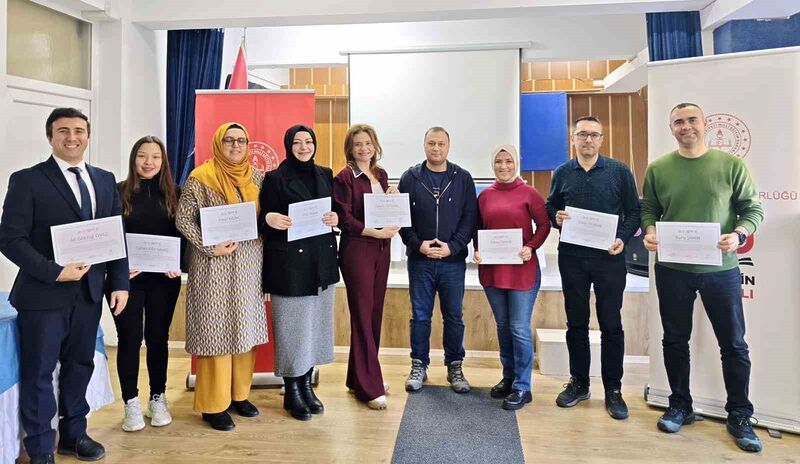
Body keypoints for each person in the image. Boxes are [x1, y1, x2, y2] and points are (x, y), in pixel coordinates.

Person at [0, 108, 129, 464]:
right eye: (63, 131)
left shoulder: (104, 179)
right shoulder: (27, 180)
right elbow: (10, 238)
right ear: (50, 137)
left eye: (79, 130)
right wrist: (54, 271)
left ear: (88, 135)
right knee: (40, 373)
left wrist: (119, 282)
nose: (72, 137)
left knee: (79, 365)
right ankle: (41, 448)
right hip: (42, 296)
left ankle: (74, 435)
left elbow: (113, 235)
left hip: (89, 295)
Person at [641, 103, 765, 452]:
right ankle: (681, 404)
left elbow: (752, 208)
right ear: (672, 129)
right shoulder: (660, 168)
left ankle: (739, 414)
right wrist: (649, 231)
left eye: (692, 120)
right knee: (674, 340)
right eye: (678, 122)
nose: (686, 127)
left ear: (705, 124)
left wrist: (739, 234)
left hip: (721, 270)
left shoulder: (730, 165)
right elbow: (649, 208)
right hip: (672, 269)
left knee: (734, 344)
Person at [545, 116, 641, 420]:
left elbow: (634, 212)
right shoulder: (562, 173)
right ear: (573, 138)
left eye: (594, 135)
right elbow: (551, 206)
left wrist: (623, 239)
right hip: (571, 257)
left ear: (601, 139)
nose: (588, 140)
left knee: (611, 324)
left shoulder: (618, 171)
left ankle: (613, 389)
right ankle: (580, 382)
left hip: (609, 258)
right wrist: (555, 218)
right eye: (582, 134)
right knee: (576, 323)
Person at [176, 122, 268, 431]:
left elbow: (265, 218)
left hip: (249, 266)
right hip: (213, 265)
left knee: (244, 329)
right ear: (218, 143)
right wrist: (208, 246)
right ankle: (214, 405)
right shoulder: (200, 177)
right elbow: (183, 218)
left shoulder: (257, 177)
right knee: (216, 332)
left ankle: (239, 395)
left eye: (241, 140)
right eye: (229, 140)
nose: (235, 145)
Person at [260, 125, 339, 421]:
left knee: (315, 328)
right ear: (287, 145)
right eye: (297, 142)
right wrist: (270, 218)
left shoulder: (326, 174)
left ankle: (307, 385)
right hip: (290, 265)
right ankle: (292, 390)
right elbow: (262, 217)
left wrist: (336, 217)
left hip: (321, 262)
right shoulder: (274, 178)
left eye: (308, 141)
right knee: (292, 329)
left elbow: (336, 210)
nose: (304, 147)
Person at [398, 126, 477, 393]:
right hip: (420, 261)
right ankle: (419, 364)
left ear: (448, 147)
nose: (436, 148)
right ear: (424, 145)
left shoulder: (463, 178)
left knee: (454, 316)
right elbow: (401, 219)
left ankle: (455, 366)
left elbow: (470, 219)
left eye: (441, 144)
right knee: (420, 316)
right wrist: (418, 245)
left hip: (452, 262)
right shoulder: (410, 178)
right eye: (431, 143)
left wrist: (452, 247)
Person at [112, 136, 182, 432]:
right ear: (133, 159)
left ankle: (158, 396)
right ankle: (130, 402)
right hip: (125, 280)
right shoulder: (116, 192)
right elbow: (108, 234)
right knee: (129, 339)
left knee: (158, 337)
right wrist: (119, 267)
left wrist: (178, 264)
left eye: (155, 157)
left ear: (163, 161)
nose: (149, 162)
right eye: (143, 156)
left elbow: (184, 234)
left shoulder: (176, 193)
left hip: (164, 280)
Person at [473, 145, 550, 410]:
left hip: (522, 270)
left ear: (516, 162)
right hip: (494, 270)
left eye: (508, 161)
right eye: (498, 161)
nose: (504, 166)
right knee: (504, 327)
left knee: (518, 328)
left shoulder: (530, 193)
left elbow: (545, 225)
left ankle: (523, 386)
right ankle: (508, 378)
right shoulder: (484, 196)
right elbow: (478, 229)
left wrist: (531, 246)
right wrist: (478, 250)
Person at [333, 124, 399, 410]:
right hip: (358, 250)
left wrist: (393, 200)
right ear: (350, 148)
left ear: (375, 145)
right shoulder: (345, 177)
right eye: (358, 144)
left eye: (368, 143)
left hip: (381, 250)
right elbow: (344, 219)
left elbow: (383, 211)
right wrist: (376, 233)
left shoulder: (381, 175)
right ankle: (369, 387)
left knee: (373, 314)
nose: (363, 149)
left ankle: (357, 377)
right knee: (361, 315)